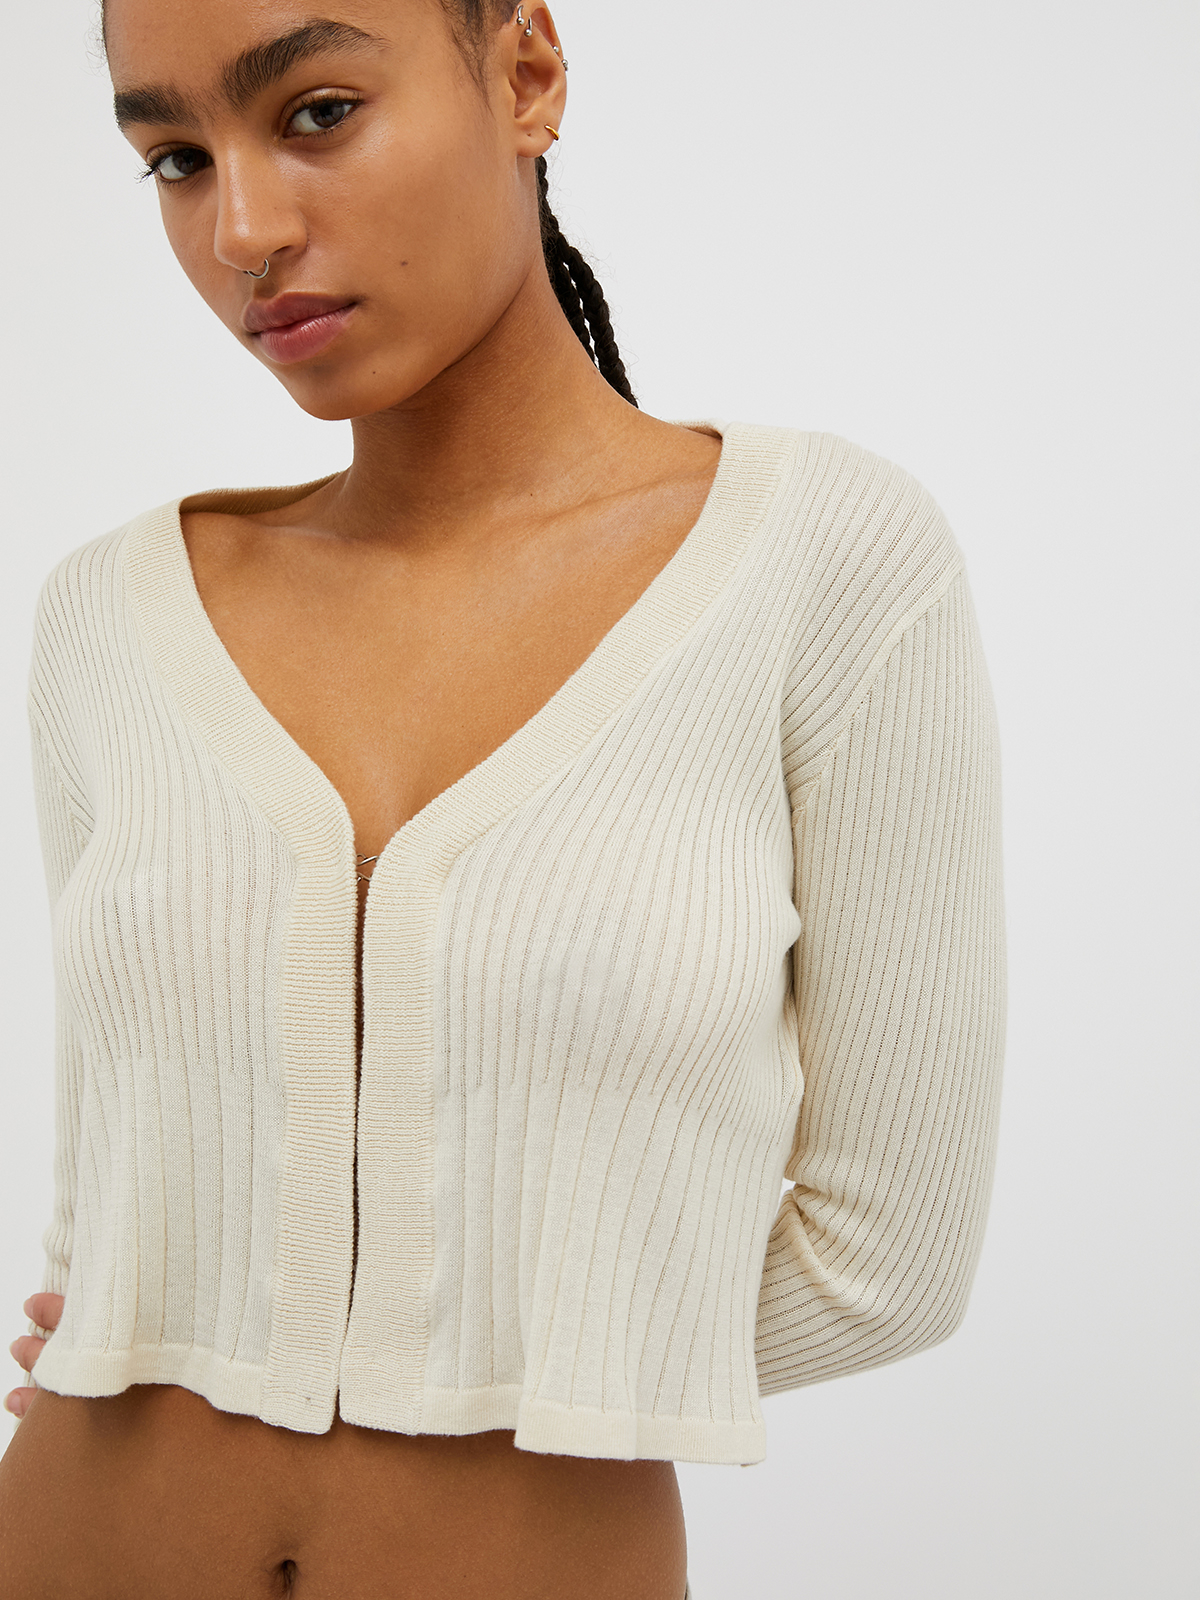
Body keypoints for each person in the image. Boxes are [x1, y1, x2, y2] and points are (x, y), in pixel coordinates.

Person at [0, 1, 1007, 1595]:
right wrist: (157, 1307)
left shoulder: (823, 563)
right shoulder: (107, 615)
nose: (242, 228)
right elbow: (108, 1197)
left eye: (317, 111)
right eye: (177, 157)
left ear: (527, 73)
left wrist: (444, 1333)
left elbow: (887, 1263)